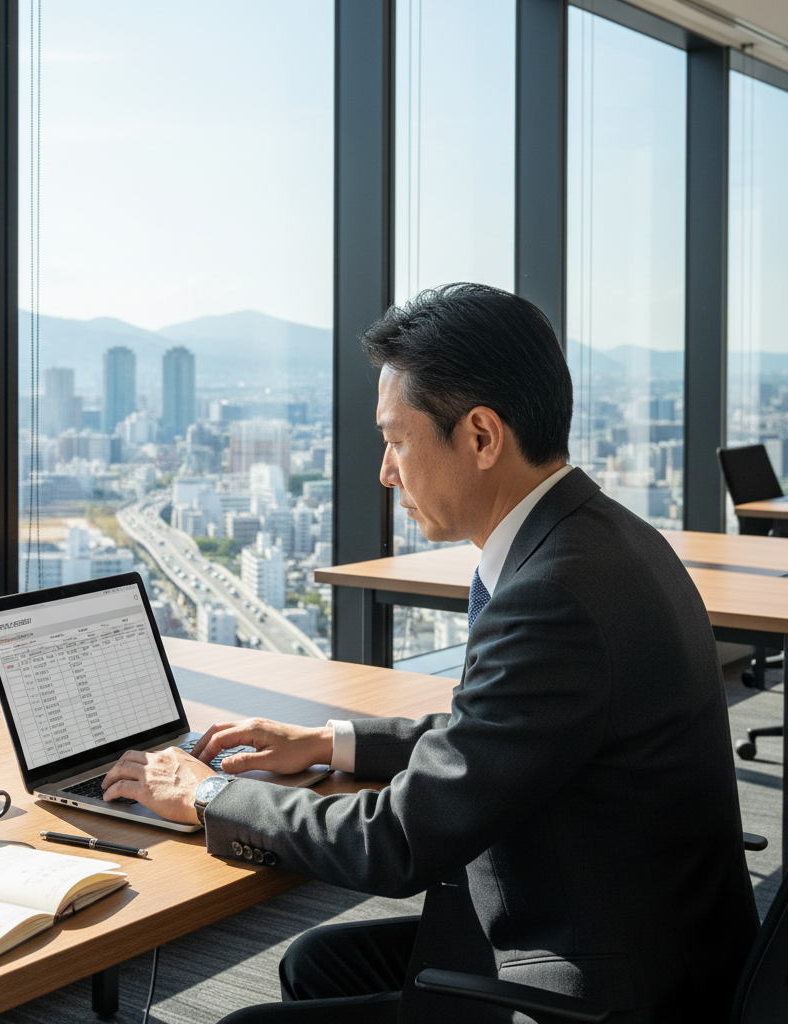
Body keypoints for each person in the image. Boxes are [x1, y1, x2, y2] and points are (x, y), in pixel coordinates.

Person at [101, 283, 757, 1024]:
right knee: (312, 960)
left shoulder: (556, 595)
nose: (385, 472)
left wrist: (207, 794)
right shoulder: (603, 538)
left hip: (608, 986)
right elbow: (497, 734)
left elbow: (400, 842)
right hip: (639, 926)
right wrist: (328, 741)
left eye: (397, 439)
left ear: (480, 436)